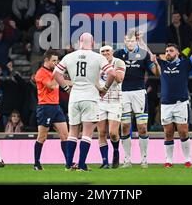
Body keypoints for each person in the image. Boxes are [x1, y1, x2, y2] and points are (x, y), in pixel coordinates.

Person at [53, 33, 115, 171]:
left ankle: (69, 164)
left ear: (79, 42)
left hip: (74, 97)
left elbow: (56, 74)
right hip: (90, 97)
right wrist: (104, 89)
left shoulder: (69, 57)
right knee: (87, 132)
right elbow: (112, 73)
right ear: (92, 43)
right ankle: (81, 164)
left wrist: (66, 88)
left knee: (73, 132)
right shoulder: (98, 57)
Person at [153, 29, 192, 168]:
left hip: (181, 102)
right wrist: (139, 40)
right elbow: (147, 53)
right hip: (165, 103)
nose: (167, 53)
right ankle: (169, 161)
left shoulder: (185, 64)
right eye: (166, 51)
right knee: (168, 132)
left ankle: (188, 160)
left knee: (183, 132)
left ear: (177, 52)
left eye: (170, 51)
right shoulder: (162, 64)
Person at [113, 31, 159, 168]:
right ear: (124, 41)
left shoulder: (143, 54)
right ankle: (127, 160)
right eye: (128, 41)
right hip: (124, 93)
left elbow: (155, 73)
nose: (130, 43)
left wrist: (155, 63)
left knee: (142, 127)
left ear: (136, 41)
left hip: (139, 93)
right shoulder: (118, 54)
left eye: (132, 41)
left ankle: (144, 159)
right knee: (125, 126)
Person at [33, 50, 69, 171]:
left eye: (57, 61)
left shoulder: (53, 73)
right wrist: (58, 74)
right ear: (46, 60)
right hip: (45, 107)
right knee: (42, 137)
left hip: (56, 106)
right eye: (54, 60)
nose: (56, 63)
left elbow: (62, 82)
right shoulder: (40, 73)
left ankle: (69, 163)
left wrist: (77, 83)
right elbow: (51, 85)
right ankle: (36, 163)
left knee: (65, 135)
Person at [97, 45, 126, 169]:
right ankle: (105, 162)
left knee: (113, 133)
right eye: (102, 51)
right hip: (100, 102)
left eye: (107, 51)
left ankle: (116, 152)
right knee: (101, 133)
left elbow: (119, 79)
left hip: (115, 102)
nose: (105, 53)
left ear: (112, 52)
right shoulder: (96, 64)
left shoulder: (118, 62)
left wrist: (108, 67)